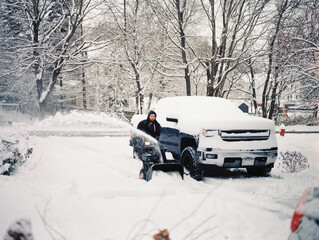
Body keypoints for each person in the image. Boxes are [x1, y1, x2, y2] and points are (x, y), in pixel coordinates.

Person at [136, 110, 161, 179]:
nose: (153, 117)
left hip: (152, 142)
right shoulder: (143, 123)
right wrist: (141, 136)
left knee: (157, 152)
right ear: (149, 116)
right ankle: (144, 170)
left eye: (154, 116)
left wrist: (156, 138)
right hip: (143, 142)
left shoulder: (157, 125)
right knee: (145, 155)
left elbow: (158, 133)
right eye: (151, 116)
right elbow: (138, 131)